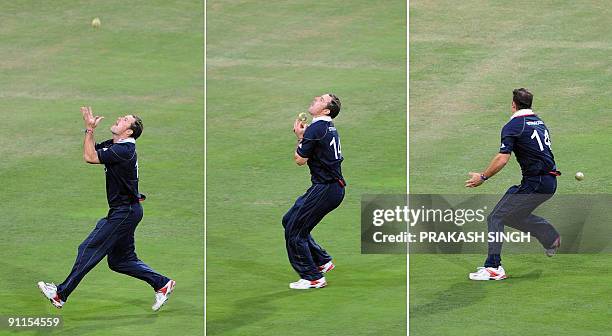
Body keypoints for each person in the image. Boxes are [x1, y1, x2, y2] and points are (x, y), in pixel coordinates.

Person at [38, 107, 175, 310]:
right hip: (127, 211)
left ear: (129, 131)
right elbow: (92, 151)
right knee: (120, 260)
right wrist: (90, 129)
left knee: (88, 248)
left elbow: (89, 157)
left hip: (124, 212)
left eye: (125, 119)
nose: (120, 118)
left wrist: (89, 130)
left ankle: (60, 294)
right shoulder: (118, 145)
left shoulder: (123, 150)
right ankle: (161, 283)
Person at [465, 88, 561, 281]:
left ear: (513, 105)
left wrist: (483, 177)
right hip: (547, 181)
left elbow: (502, 158)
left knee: (496, 218)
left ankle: (493, 267)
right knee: (509, 216)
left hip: (536, 182)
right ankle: (549, 236)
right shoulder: (540, 123)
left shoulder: (514, 125)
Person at [283, 93, 346, 289]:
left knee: (295, 232)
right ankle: (322, 261)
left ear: (326, 110)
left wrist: (300, 138)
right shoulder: (325, 127)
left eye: (321, 99)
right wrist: (304, 136)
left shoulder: (316, 128)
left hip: (325, 189)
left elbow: (300, 160)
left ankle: (313, 277)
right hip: (329, 187)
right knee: (289, 220)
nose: (316, 98)